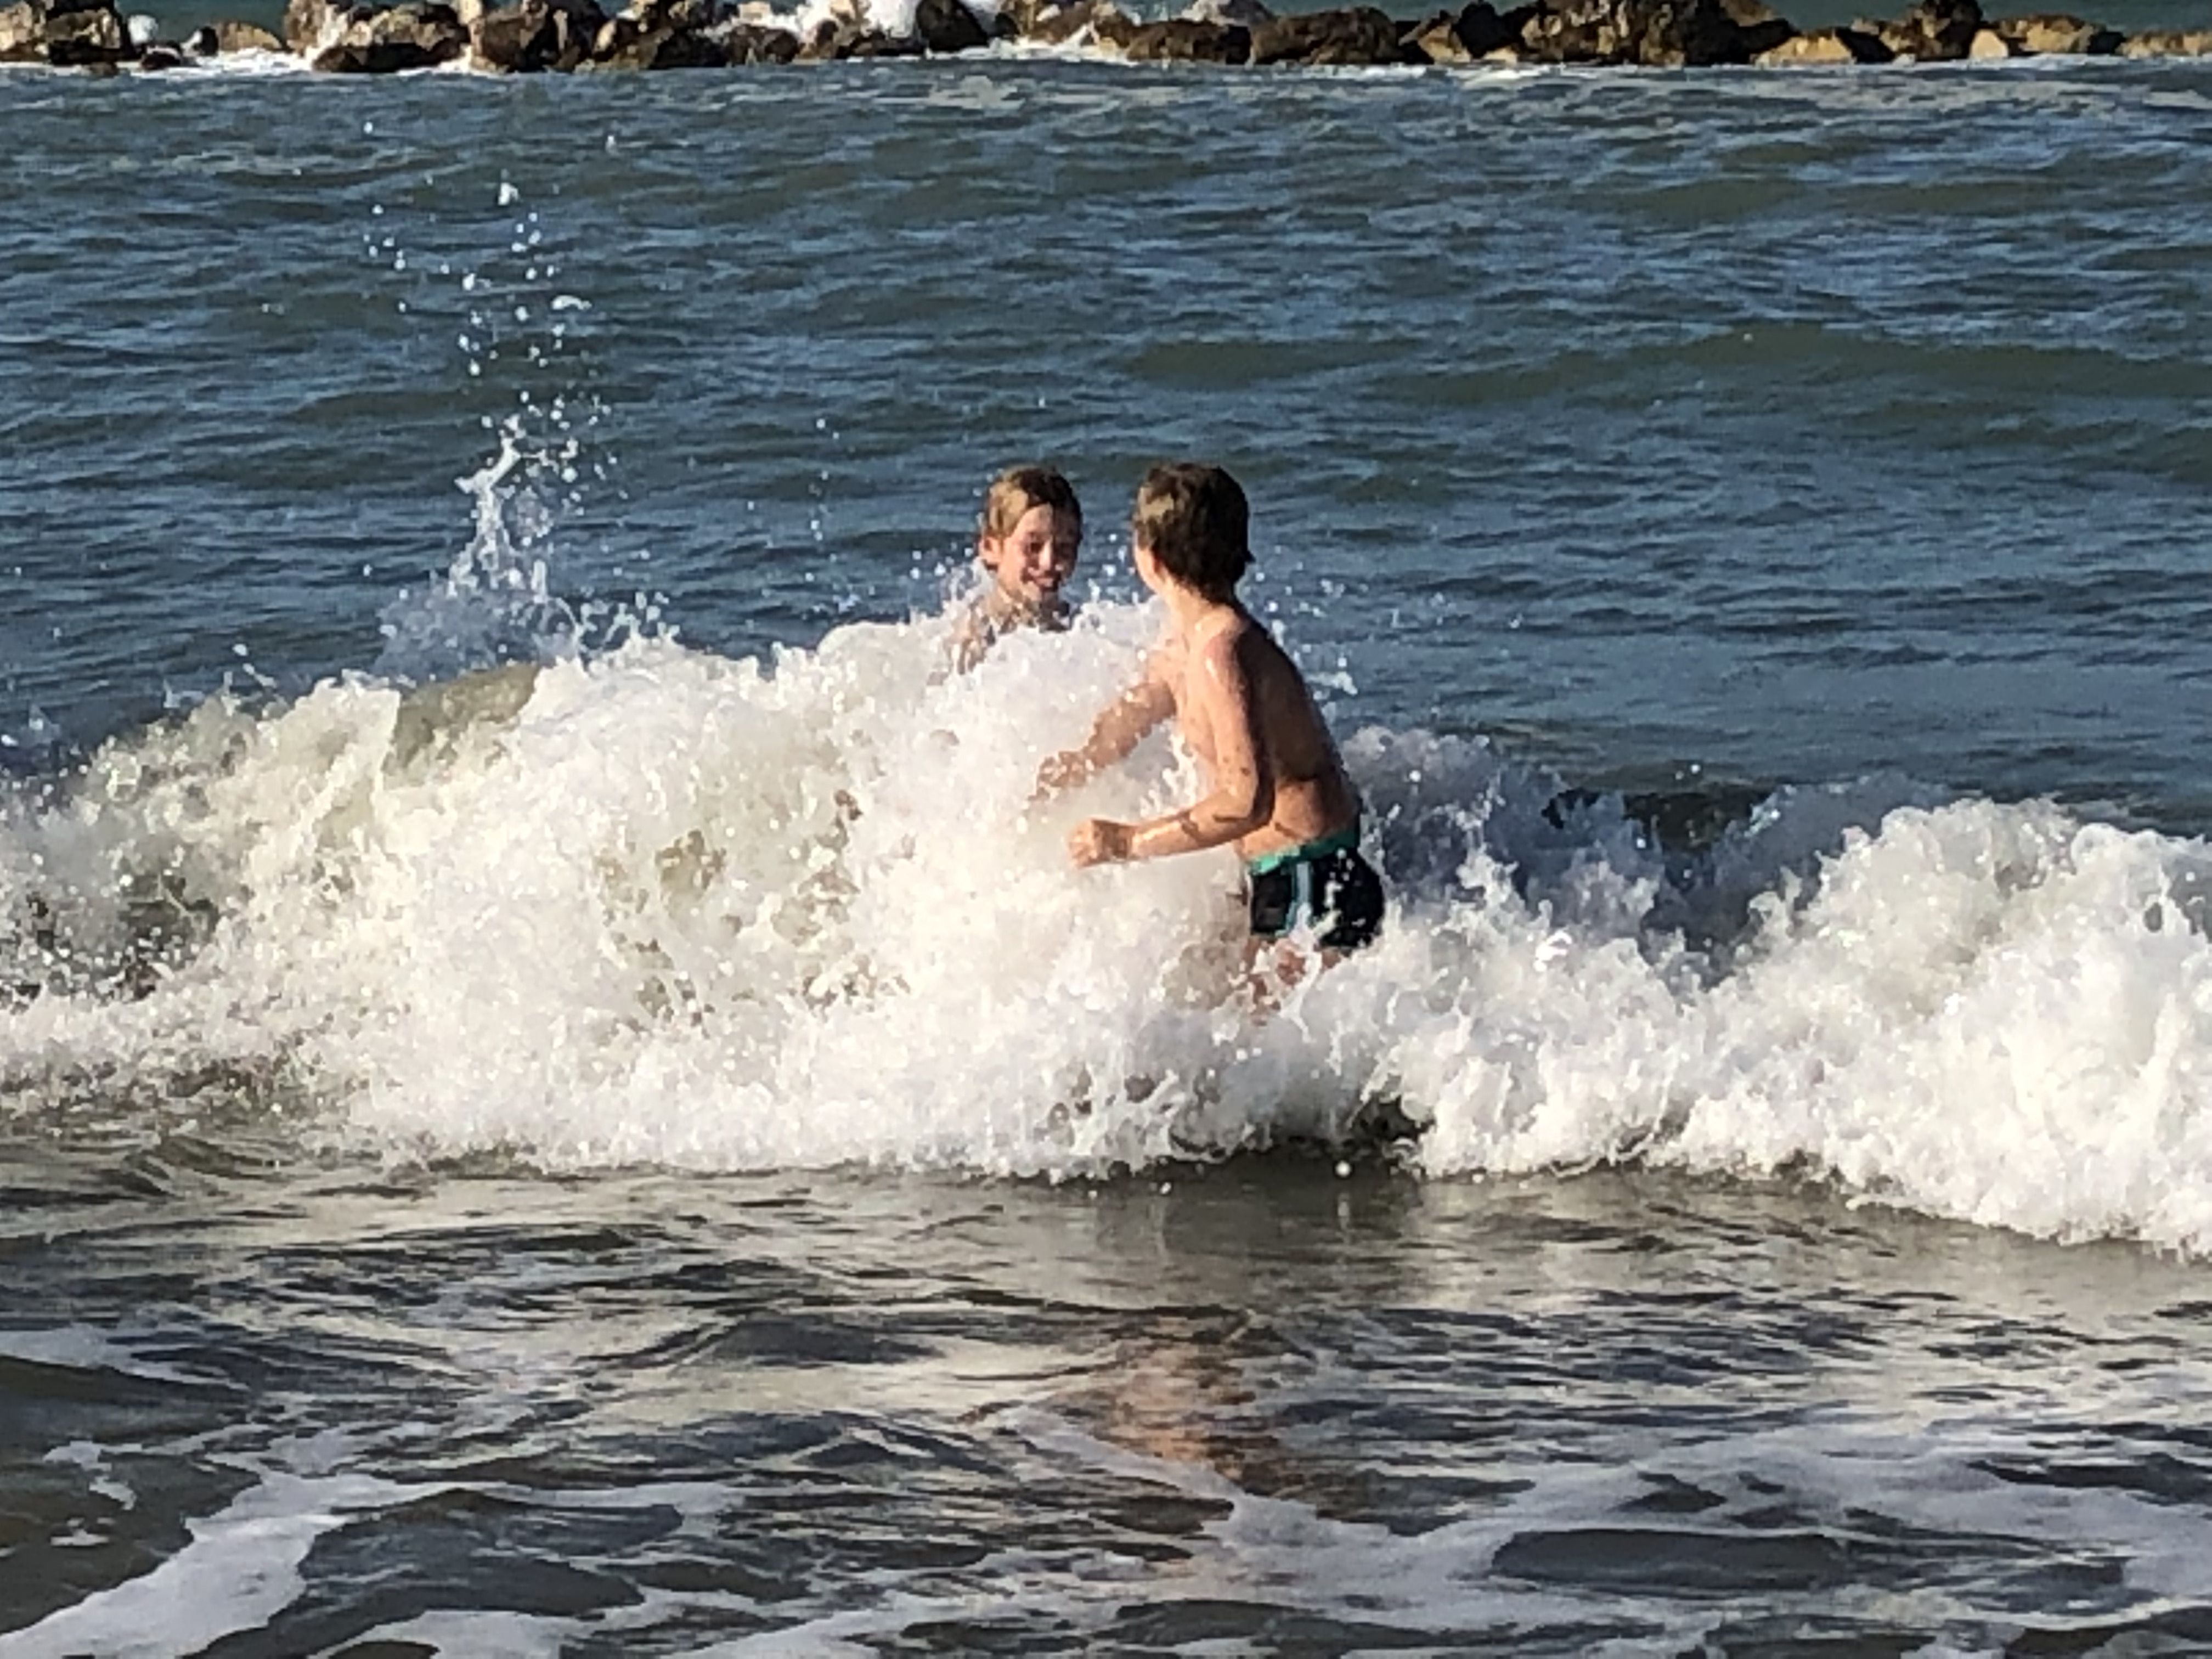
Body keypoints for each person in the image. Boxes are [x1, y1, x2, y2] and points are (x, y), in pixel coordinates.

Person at [1033, 461, 1384, 966]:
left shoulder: (1223, 654)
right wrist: (1060, 777)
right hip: (1282, 872)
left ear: (1150, 559)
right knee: (1216, 998)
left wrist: (1127, 842)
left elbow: (1247, 803)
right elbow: (1126, 722)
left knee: (1260, 1016)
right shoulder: (1186, 643)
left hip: (1314, 872)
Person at [946, 465, 1084, 674]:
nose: (1048, 562)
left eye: (1064, 547)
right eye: (1033, 547)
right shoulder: (973, 639)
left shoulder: (1082, 626)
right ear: (991, 548)